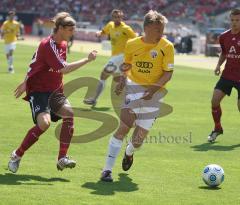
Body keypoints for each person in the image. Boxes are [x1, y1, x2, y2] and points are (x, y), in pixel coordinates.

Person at [8, 12, 97, 173]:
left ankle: (62, 158)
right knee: (44, 123)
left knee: (69, 114)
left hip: (55, 91)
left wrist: (25, 80)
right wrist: (87, 59)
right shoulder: (47, 45)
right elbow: (64, 68)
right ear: (61, 28)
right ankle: (17, 155)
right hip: (40, 91)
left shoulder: (62, 44)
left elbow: (37, 64)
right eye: (70, 30)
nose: (73, 33)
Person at [100, 10, 174, 182]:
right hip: (133, 88)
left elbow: (168, 73)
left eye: (162, 30)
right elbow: (127, 64)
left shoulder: (167, 46)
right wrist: (121, 81)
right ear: (147, 28)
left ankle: (129, 152)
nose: (161, 33)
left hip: (155, 93)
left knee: (138, 140)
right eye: (158, 30)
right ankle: (107, 170)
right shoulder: (132, 44)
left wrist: (154, 89)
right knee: (124, 126)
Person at [83, 9, 136, 106]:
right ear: (112, 17)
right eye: (115, 17)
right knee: (120, 79)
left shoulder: (126, 28)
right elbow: (103, 31)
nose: (117, 19)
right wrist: (99, 33)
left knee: (103, 75)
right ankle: (132, 99)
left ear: (122, 17)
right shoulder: (110, 25)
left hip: (122, 56)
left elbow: (135, 39)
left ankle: (94, 99)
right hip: (116, 57)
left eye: (119, 17)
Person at [208, 9, 240, 142]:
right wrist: (218, 65)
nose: (234, 23)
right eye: (232, 20)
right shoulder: (223, 36)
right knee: (214, 101)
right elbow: (224, 53)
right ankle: (217, 128)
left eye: (237, 20)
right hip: (227, 75)